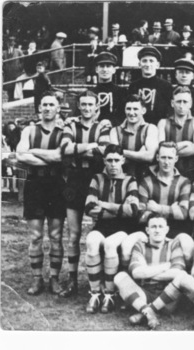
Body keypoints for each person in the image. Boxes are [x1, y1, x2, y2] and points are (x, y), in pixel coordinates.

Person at [58, 91, 112, 298]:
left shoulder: (103, 126)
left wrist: (79, 149)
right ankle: (72, 280)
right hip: (75, 179)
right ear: (78, 106)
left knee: (99, 232)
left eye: (91, 104)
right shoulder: (70, 125)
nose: (87, 108)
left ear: (97, 107)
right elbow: (65, 148)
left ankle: (97, 280)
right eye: (83, 104)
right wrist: (90, 145)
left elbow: (104, 150)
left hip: (96, 179)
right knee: (73, 234)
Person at [16, 92, 65, 295]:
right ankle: (37, 279)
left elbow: (61, 156)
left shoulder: (64, 131)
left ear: (58, 108)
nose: (47, 108)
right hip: (35, 183)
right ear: (39, 108)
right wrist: (48, 159)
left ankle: (54, 278)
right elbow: (20, 154)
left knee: (56, 236)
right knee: (36, 236)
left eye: (51, 104)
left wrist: (33, 152)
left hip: (56, 184)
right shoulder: (29, 130)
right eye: (43, 104)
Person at [83, 144, 139, 313]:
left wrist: (105, 205)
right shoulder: (97, 178)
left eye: (116, 160)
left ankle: (110, 293)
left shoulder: (131, 180)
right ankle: (95, 293)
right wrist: (119, 209)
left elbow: (133, 211)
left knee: (110, 244)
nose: (113, 164)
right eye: (109, 160)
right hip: (102, 225)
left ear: (123, 160)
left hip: (123, 228)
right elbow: (89, 207)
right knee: (91, 241)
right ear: (104, 161)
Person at [129, 141, 194, 272]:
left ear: (176, 159)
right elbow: (141, 215)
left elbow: (183, 214)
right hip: (151, 230)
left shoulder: (184, 182)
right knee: (127, 245)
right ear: (157, 157)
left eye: (170, 158)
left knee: (188, 246)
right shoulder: (146, 181)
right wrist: (172, 209)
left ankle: (182, 283)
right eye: (163, 157)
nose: (166, 162)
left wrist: (157, 208)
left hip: (176, 230)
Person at [157, 86, 194, 180]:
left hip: (191, 172)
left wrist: (170, 150)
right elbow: (160, 150)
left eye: (185, 102)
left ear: (190, 104)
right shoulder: (163, 123)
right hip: (167, 173)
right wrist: (187, 144)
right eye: (178, 101)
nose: (181, 105)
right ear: (172, 103)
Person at [110, 94, 159, 181]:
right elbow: (114, 157)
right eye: (128, 109)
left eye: (135, 109)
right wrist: (140, 155)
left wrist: (121, 152)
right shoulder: (115, 131)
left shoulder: (151, 128)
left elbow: (150, 157)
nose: (131, 113)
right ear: (124, 110)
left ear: (143, 110)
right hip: (121, 179)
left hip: (145, 179)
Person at [128, 46, 173, 125]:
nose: (148, 64)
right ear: (139, 64)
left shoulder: (166, 86)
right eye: (144, 61)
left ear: (157, 65)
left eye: (151, 61)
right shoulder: (133, 86)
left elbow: (169, 112)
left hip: (158, 127)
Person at [91, 51, 127, 126]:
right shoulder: (90, 92)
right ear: (96, 69)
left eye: (108, 66)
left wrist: (111, 122)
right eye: (101, 66)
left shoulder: (122, 92)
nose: (105, 69)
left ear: (114, 70)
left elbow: (124, 115)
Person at [3, 35, 24, 101]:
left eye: (12, 42)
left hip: (16, 73)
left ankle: (16, 101)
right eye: (10, 42)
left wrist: (19, 67)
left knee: (16, 88)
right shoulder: (4, 52)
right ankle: (10, 100)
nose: (11, 44)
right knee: (9, 89)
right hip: (8, 73)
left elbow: (23, 60)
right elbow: (2, 62)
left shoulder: (18, 51)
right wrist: (5, 68)